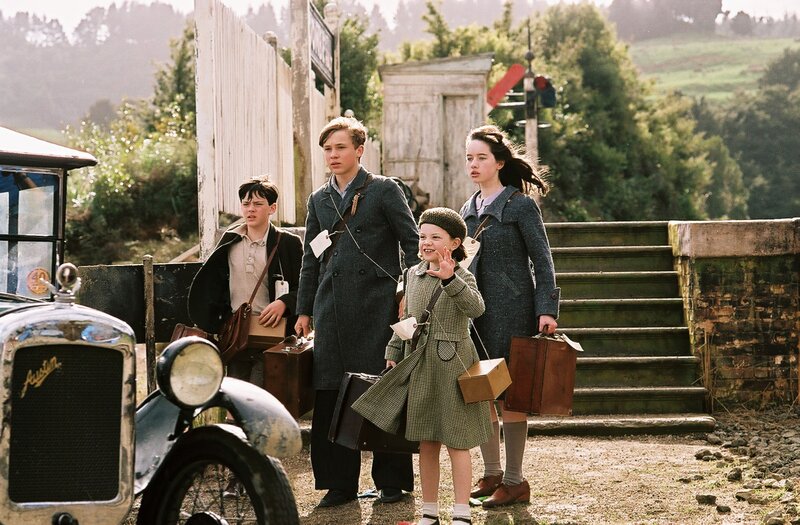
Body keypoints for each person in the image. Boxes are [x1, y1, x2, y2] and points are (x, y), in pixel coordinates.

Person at [294, 116, 420, 508]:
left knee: (384, 388)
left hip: (378, 305)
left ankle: (392, 481)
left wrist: (409, 290)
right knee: (330, 391)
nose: (333, 155)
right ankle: (339, 484)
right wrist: (303, 309)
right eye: (327, 149)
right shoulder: (318, 199)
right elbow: (310, 259)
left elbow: (413, 244)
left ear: (359, 150)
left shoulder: (383, 189)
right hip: (330, 307)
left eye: (341, 147)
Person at [353, 207, 492, 525]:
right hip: (419, 364)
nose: (427, 242)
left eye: (435, 237)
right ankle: (429, 511)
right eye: (423, 236)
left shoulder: (463, 276)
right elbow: (406, 318)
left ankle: (461, 512)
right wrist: (393, 349)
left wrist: (450, 279)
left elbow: (476, 309)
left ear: (455, 243)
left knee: (458, 441)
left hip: (455, 366)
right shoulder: (411, 275)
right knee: (427, 441)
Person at [459, 124, 560, 508]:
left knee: (511, 398)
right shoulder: (466, 210)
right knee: (481, 393)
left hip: (514, 313)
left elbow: (543, 261)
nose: (474, 164)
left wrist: (546, 310)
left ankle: (516, 481)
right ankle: (493, 474)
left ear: (500, 162)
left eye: (481, 157)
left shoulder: (520, 205)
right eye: (469, 158)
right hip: (475, 316)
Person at [188, 177, 303, 384]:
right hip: (236, 335)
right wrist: (217, 322)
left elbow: (305, 285)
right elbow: (214, 285)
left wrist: (284, 302)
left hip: (273, 334)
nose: (251, 209)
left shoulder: (288, 243)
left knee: (261, 393)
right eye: (246, 204)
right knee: (235, 393)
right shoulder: (229, 240)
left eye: (258, 204)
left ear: (272, 208)